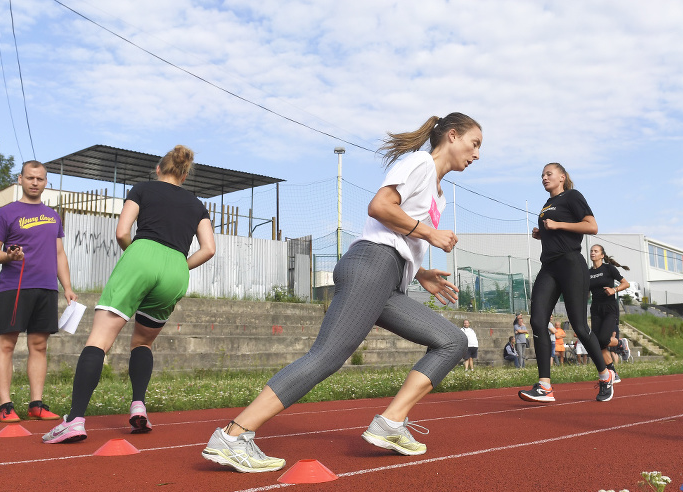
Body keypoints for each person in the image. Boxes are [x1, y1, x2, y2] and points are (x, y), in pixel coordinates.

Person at [200, 112, 482, 472]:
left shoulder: (438, 192)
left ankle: (390, 423)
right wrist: (428, 233)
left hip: (388, 278)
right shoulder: (420, 164)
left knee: (452, 341)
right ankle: (233, 435)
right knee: (326, 357)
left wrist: (420, 272)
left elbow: (397, 236)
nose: (476, 155)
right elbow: (380, 207)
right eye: (474, 144)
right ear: (453, 136)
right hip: (371, 267)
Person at [43, 145, 216, 443]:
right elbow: (209, 249)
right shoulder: (197, 204)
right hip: (176, 269)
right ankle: (139, 405)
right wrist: (178, 266)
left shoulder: (143, 189)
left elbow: (123, 232)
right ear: (185, 175)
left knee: (99, 340)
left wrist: (136, 260)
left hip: (141, 255)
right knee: (142, 342)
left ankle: (75, 419)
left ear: (159, 170)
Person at [0, 161, 77, 422]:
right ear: (21, 180)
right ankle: (6, 405)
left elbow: (59, 253)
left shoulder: (54, 215)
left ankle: (36, 404)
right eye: (30, 178)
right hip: (15, 287)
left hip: (47, 288)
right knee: (7, 344)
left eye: (40, 178)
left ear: (46, 182)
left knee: (39, 345)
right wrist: (8, 256)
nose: (35, 182)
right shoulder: (5, 213)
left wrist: (67, 287)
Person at [518, 163, 615, 403]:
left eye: (548, 174)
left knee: (580, 326)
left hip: (571, 264)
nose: (544, 178)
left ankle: (605, 375)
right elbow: (556, 230)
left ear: (562, 177)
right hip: (549, 267)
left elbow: (591, 226)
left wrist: (558, 225)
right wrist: (543, 233)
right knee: (538, 321)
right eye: (541, 175)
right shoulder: (545, 207)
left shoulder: (572, 196)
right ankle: (545, 386)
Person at [588, 244, 630, 383]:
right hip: (595, 309)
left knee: (603, 340)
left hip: (609, 308)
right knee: (598, 344)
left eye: (596, 251)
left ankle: (619, 344)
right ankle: (613, 372)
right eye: (591, 251)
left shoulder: (608, 268)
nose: (593, 253)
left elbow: (626, 283)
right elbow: (587, 292)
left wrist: (614, 289)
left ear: (602, 255)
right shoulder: (588, 273)